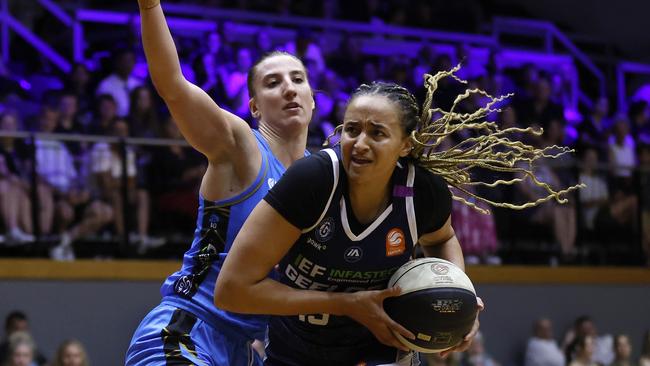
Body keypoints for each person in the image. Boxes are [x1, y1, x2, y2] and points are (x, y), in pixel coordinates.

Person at [216, 68, 581, 365]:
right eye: (352, 130)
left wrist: (459, 295)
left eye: (377, 133)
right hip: (298, 350)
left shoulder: (424, 193)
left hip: (383, 347)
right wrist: (346, 304)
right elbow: (231, 291)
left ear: (406, 145)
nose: (359, 144)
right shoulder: (312, 182)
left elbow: (442, 239)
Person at [125, 0, 314, 365]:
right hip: (187, 333)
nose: (289, 89)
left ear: (313, 100)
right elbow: (173, 87)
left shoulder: (323, 177)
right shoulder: (241, 146)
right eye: (273, 83)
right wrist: (150, 7)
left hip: (244, 351)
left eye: (298, 79)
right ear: (255, 106)